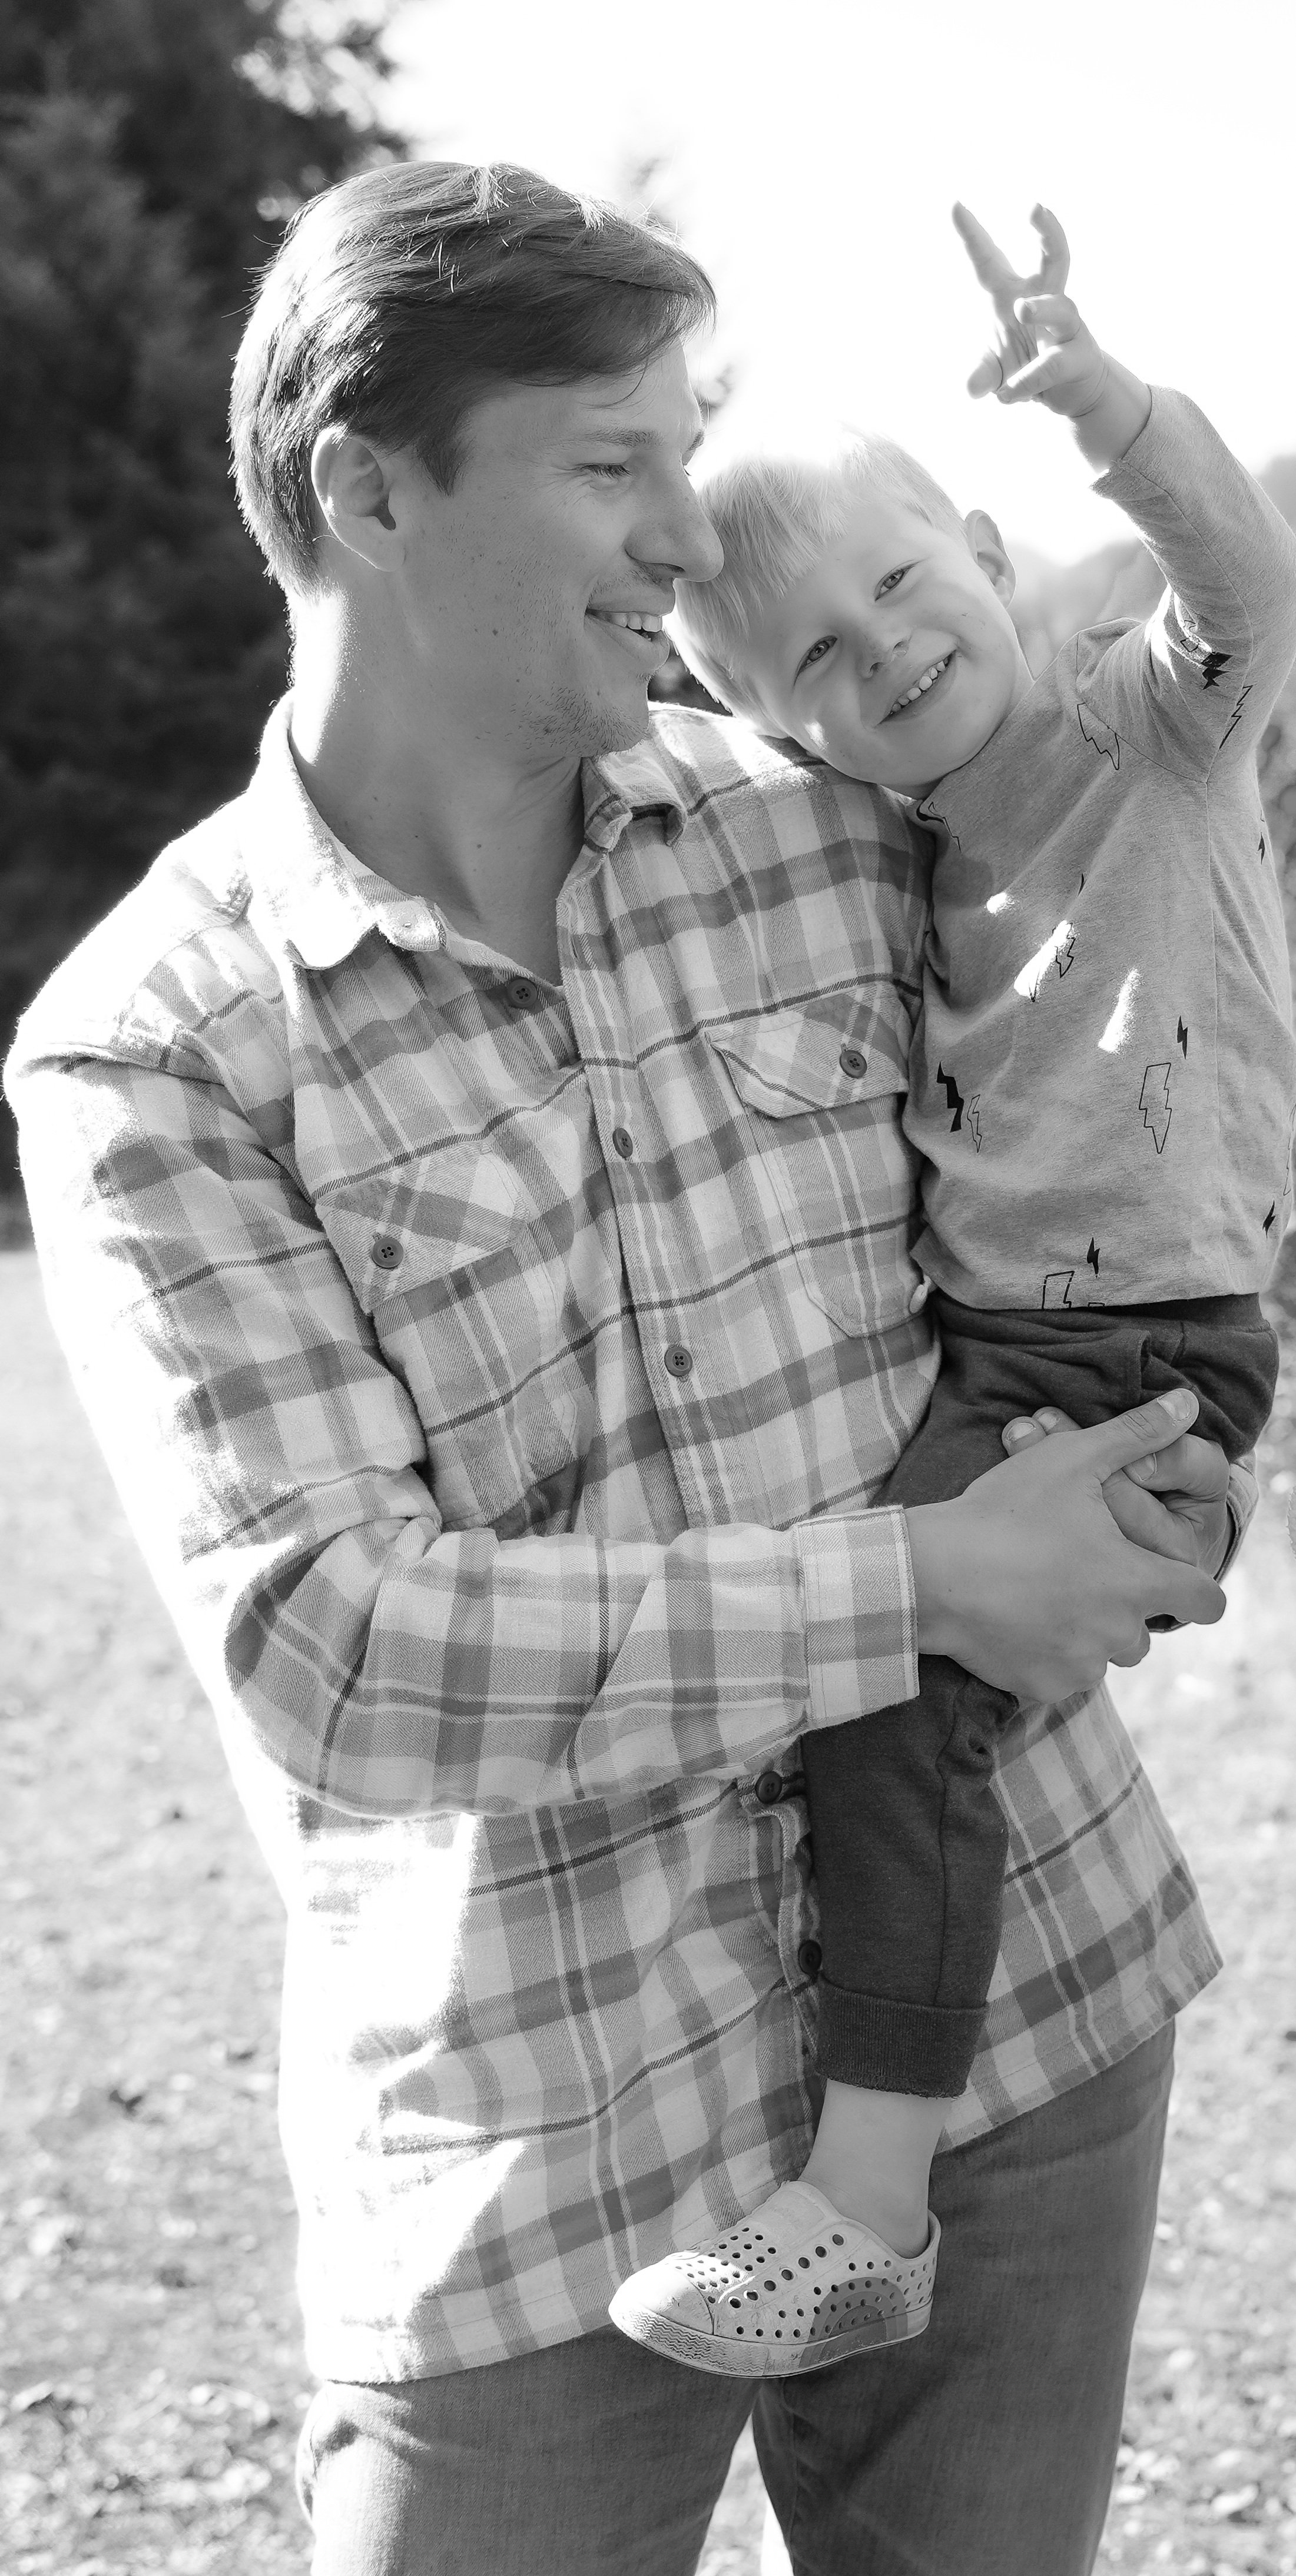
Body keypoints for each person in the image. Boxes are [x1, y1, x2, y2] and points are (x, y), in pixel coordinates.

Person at [2, 162, 1247, 2576]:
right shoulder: (155, 1049)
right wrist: (928, 1581)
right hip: (535, 2137)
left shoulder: (839, 820)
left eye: (686, 453)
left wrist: (1178, 1407)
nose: (688, 534)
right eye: (612, 464)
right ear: (370, 492)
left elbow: (1151, 942)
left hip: (1028, 2017)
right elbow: (337, 1648)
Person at [616, 202, 1296, 2379]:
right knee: (889, 1677)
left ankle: (868, 2202)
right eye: (816, 658)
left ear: (984, 553)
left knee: (893, 1697)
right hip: (1016, 1333)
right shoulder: (901, 847)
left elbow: (1246, 586)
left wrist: (1099, 401)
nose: (883, 651)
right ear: (782, 731)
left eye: (901, 585)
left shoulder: (1144, 729)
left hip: (1134, 1334)